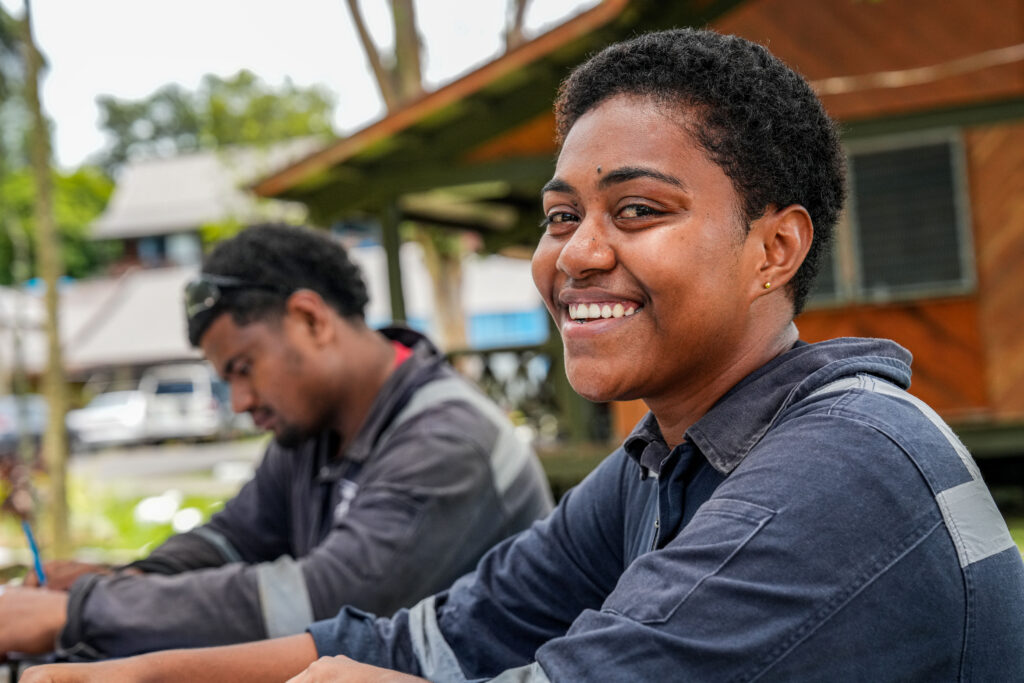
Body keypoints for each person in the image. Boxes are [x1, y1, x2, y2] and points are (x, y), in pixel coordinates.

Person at [19, 27, 1024, 683]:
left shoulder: (843, 463)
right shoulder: (659, 459)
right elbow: (428, 639)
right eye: (560, 216)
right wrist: (103, 668)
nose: (575, 254)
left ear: (774, 248)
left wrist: (82, 616)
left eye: (639, 210)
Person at [0, 224, 553, 661]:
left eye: (243, 368)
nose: (240, 401)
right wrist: (133, 579)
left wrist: (84, 612)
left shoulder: (447, 439)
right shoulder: (313, 428)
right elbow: (234, 538)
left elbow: (322, 601)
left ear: (310, 319)